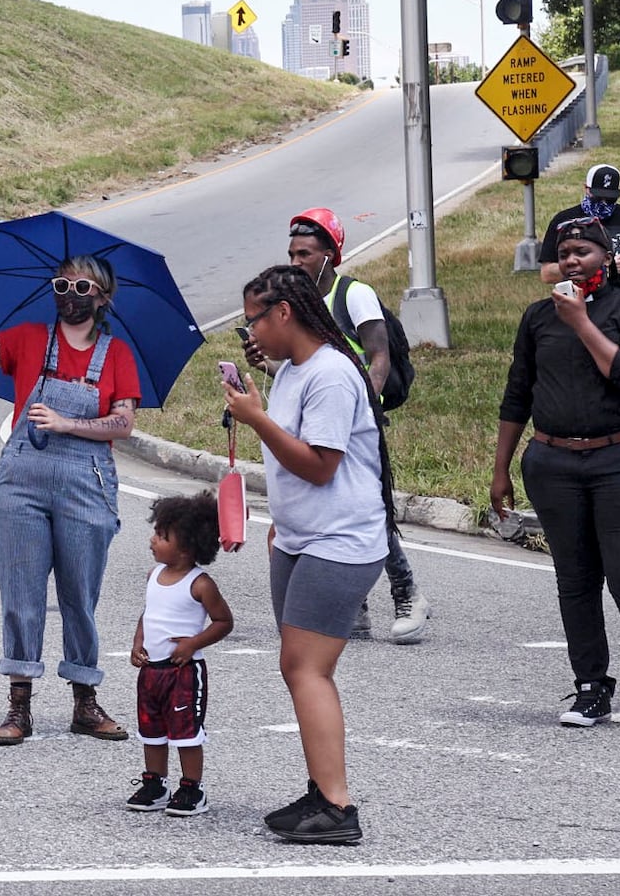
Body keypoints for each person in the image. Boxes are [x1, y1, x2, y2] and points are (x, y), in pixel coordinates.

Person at [0, 256, 140, 746]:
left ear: (102, 297)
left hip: (87, 484)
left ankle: (85, 700)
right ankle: (19, 704)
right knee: (20, 594)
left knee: (80, 596)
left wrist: (68, 424)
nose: (70, 293)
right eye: (62, 284)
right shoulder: (27, 339)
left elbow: (123, 423)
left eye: (82, 286)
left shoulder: (116, 354)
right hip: (21, 482)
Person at [492, 217, 620, 734]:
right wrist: (501, 470)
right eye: (564, 252)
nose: (571, 259)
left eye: (582, 250)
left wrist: (582, 322)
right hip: (553, 462)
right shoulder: (538, 317)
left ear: (606, 256)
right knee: (576, 579)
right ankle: (591, 688)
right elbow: (518, 394)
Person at [222, 264, 390, 845]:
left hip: (340, 541)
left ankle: (338, 807)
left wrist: (257, 419)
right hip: (298, 539)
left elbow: (321, 465)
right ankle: (321, 791)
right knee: (299, 668)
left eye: (253, 320)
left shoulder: (332, 375)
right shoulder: (291, 370)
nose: (250, 333)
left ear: (284, 312)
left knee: (305, 668)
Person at [240, 208, 431, 644]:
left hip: (358, 408)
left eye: (306, 252)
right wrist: (266, 365)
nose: (297, 260)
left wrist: (369, 400)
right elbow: (300, 376)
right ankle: (355, 608)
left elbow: (376, 356)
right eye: (291, 253)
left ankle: (406, 592)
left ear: (331, 254)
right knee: (343, 502)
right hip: (330, 410)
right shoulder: (297, 306)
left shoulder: (353, 293)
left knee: (363, 504)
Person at [539, 164, 620, 468]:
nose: (603, 203)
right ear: (585, 190)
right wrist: (585, 264)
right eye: (597, 196)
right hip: (577, 307)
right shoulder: (563, 221)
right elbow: (546, 271)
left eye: (609, 198)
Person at [126, 490, 234, 818]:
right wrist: (138, 643)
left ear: (186, 548)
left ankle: (191, 787)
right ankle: (155, 784)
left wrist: (193, 644)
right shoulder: (153, 576)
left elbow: (224, 621)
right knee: (151, 729)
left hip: (183, 673)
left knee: (186, 733)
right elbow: (149, 614)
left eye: (162, 536)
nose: (152, 540)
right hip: (152, 672)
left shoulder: (200, 584)